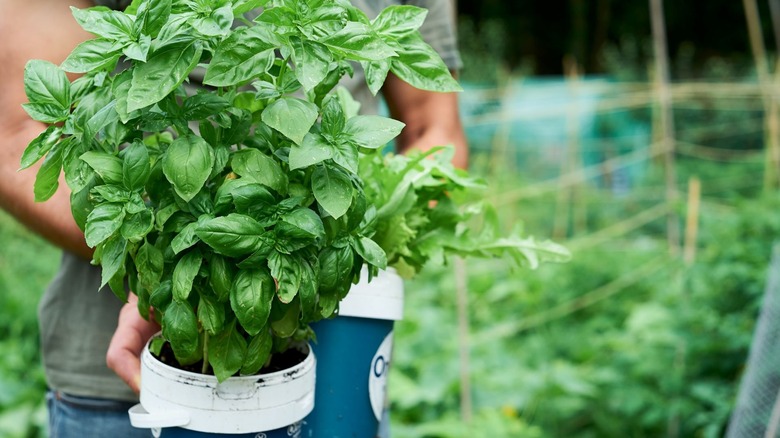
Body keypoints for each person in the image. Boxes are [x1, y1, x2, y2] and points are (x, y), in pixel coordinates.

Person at [0, 0, 466, 436]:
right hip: (128, 385)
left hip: (341, 358)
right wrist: (151, 259)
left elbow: (434, 130)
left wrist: (330, 251)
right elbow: (16, 132)